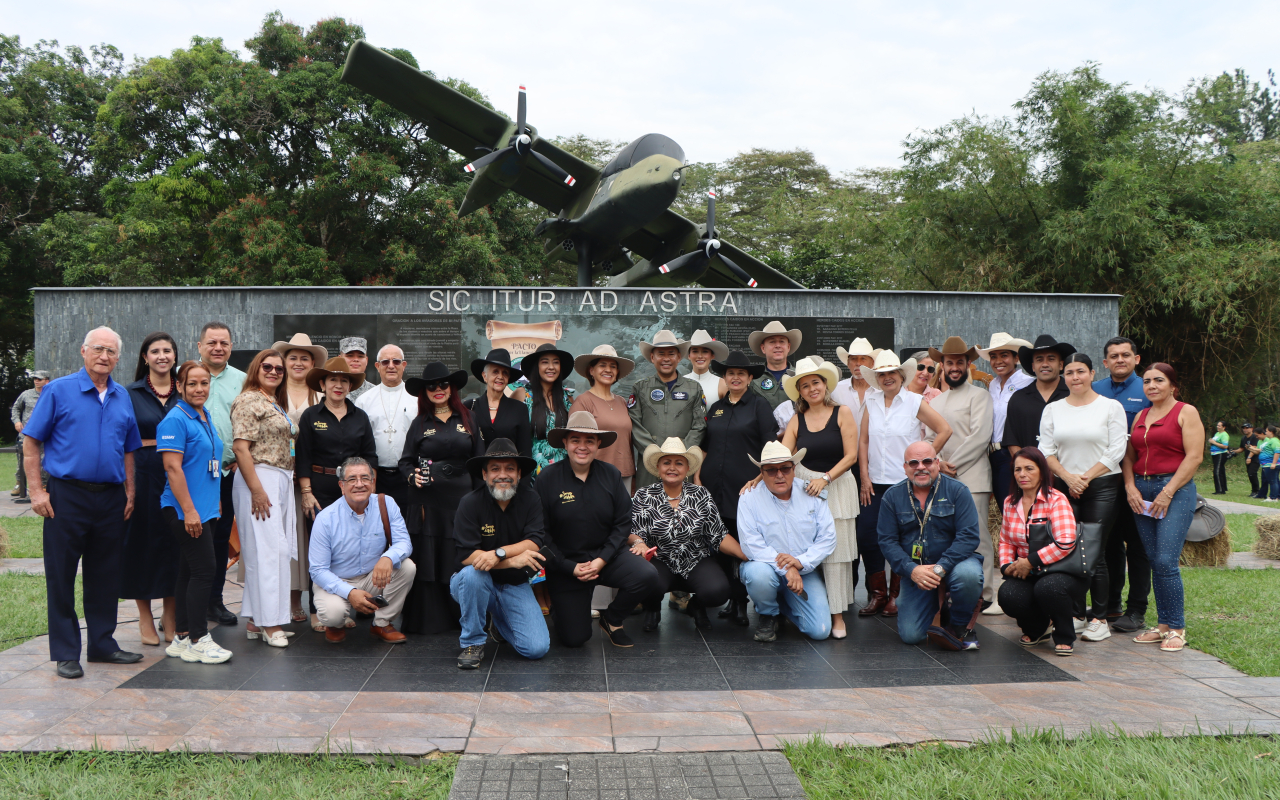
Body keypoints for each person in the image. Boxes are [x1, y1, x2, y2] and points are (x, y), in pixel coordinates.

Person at [23, 326, 144, 679]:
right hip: (66, 496)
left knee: (105, 574)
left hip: (110, 498)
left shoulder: (122, 396)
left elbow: (129, 450)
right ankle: (65, 651)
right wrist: (36, 491)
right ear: (83, 351)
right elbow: (32, 442)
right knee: (61, 574)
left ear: (118, 358)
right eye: (98, 349)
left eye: (111, 351)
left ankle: (103, 644)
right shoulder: (59, 391)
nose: (104, 356)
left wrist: (130, 492)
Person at [536, 411, 663, 648]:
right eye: (575, 440)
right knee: (575, 638)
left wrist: (601, 560)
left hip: (606, 557)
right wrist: (569, 567)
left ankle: (612, 619)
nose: (582, 447)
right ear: (565, 443)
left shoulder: (611, 475)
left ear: (597, 445)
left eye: (589, 441)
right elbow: (541, 533)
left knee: (647, 575)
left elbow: (622, 523)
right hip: (566, 565)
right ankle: (564, 608)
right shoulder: (547, 479)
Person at [857, 351, 953, 617]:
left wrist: (923, 461)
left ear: (901, 376)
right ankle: (878, 594)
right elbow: (863, 440)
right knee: (868, 536)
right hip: (874, 483)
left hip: (905, 484)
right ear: (876, 378)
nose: (887, 378)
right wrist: (864, 476)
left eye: (892, 373)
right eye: (882, 374)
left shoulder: (913, 401)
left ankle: (896, 596)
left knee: (906, 538)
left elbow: (944, 429)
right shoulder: (871, 401)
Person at [1039, 353, 1127, 642]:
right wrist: (1068, 478)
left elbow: (1116, 451)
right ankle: (1076, 614)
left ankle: (1099, 618)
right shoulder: (1053, 409)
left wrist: (1085, 478)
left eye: (1081, 371)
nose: (1075, 377)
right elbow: (1047, 451)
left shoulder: (1110, 407)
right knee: (1068, 550)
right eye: (1069, 373)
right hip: (1065, 486)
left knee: (1095, 551)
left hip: (1101, 485)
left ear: (1091, 374)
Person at [1122, 363, 1204, 652]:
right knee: (1154, 559)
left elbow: (1194, 457)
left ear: (1173, 385)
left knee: (1167, 561)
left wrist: (1168, 491)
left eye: (1159, 380)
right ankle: (1162, 626)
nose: (1152, 385)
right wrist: (1130, 487)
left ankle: (1177, 627)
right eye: (1147, 381)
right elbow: (1129, 457)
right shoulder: (1141, 416)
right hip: (1141, 492)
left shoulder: (1186, 412)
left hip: (1175, 489)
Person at [398, 362, 485, 634]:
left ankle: (464, 618)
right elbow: (405, 462)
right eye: (431, 386)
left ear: (452, 388)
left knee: (458, 554)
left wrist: (482, 499)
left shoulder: (469, 419)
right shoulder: (419, 423)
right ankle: (430, 620)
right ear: (425, 391)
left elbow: (480, 462)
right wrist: (414, 476)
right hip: (428, 500)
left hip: (463, 498)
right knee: (429, 556)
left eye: (443, 384)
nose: (438, 389)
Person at [157, 360, 233, 665]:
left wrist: (213, 506)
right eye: (192, 384)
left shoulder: (204, 415)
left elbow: (208, 466)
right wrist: (189, 512)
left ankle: (182, 636)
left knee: (189, 570)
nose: (199, 388)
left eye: (204, 383)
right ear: (179, 386)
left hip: (205, 509)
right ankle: (200, 639)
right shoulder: (175, 420)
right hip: (183, 510)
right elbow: (172, 469)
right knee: (204, 571)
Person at [450, 439, 550, 669]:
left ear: (519, 473)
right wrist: (512, 560)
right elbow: (466, 556)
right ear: (484, 474)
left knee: (536, 649)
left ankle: (499, 620)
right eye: (495, 468)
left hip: (514, 585)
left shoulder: (531, 499)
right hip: (472, 582)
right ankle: (472, 643)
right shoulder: (470, 503)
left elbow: (535, 541)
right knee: (474, 576)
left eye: (510, 469)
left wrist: (499, 553)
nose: (502, 475)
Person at [779, 357, 859, 638]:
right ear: (799, 392)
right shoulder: (796, 419)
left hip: (836, 488)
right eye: (804, 385)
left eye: (816, 382)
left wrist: (825, 478)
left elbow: (851, 455)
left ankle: (837, 616)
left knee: (835, 555)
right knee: (804, 548)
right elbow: (782, 456)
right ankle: (804, 606)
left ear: (825, 385)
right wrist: (757, 477)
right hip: (804, 489)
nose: (811, 388)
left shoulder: (843, 412)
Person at [630, 438, 746, 631]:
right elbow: (633, 531)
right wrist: (639, 543)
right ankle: (652, 607)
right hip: (659, 558)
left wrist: (744, 554)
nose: (672, 468)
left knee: (718, 591)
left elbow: (718, 534)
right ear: (658, 467)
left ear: (687, 468)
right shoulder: (644, 495)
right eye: (667, 462)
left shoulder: (700, 494)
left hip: (695, 559)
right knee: (644, 578)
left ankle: (696, 606)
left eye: (679, 463)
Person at [296, 357, 378, 630]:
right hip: (320, 488)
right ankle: (317, 612)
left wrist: (369, 492)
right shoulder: (311, 416)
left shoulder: (360, 416)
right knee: (321, 550)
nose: (339, 385)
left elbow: (370, 457)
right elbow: (303, 457)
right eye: (333, 380)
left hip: (355, 490)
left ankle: (349, 606)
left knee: (352, 546)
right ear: (322, 384)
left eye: (344, 380)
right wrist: (306, 492)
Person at [878, 441, 984, 650]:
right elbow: (887, 541)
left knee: (969, 576)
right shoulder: (892, 497)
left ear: (937, 463)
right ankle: (941, 606)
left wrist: (940, 567)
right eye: (914, 463)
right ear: (905, 467)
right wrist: (912, 570)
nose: (921, 467)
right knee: (911, 635)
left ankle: (959, 624)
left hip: (955, 564)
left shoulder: (958, 491)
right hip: (916, 570)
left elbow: (969, 537)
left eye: (927, 461)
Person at [699, 350, 777, 626]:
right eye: (730, 373)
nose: (735, 377)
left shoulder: (759, 406)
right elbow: (705, 447)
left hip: (744, 489)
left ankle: (741, 602)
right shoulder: (716, 408)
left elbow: (771, 450)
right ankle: (727, 598)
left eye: (741, 373)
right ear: (725, 376)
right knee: (717, 544)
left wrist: (759, 479)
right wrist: (698, 478)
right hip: (712, 489)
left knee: (742, 545)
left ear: (749, 377)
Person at [924, 338, 998, 615]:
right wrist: (938, 464)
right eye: (949, 363)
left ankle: (986, 594)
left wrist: (950, 464)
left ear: (969, 365)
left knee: (977, 535)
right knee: (948, 536)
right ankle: (956, 590)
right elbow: (931, 437)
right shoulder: (937, 400)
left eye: (959, 363)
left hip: (973, 476)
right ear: (941, 366)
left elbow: (979, 437)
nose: (954, 368)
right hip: (941, 477)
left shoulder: (980, 396)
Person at [308, 457, 415, 644]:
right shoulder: (325, 519)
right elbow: (318, 570)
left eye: (365, 478)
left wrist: (388, 557)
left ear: (373, 483)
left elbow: (404, 543)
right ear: (341, 486)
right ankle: (334, 624)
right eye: (352, 479)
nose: (359, 484)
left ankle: (381, 623)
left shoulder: (386, 504)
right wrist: (350, 592)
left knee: (407, 566)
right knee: (333, 614)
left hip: (370, 577)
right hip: (336, 581)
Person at [231, 349, 298, 648]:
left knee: (269, 552)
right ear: (256, 369)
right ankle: (271, 624)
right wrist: (258, 489)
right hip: (259, 477)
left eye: (279, 369)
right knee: (271, 552)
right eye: (267, 367)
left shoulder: (274, 402)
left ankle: (256, 619)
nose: (273, 371)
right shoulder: (249, 400)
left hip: (280, 478)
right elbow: (241, 448)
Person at [737, 442, 835, 642]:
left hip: (803, 571)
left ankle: (781, 604)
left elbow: (828, 537)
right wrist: (787, 568)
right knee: (759, 575)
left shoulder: (812, 494)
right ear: (761, 473)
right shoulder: (749, 498)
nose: (779, 475)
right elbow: (750, 545)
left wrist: (800, 562)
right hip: (766, 567)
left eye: (785, 468)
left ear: (794, 469)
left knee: (820, 631)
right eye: (771, 470)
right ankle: (767, 613)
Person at [120, 332, 181, 646]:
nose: (161, 356)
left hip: (179, 476)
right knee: (141, 544)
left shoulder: (184, 392)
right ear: (145, 357)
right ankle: (145, 616)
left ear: (174, 356)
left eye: (167, 351)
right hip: (142, 474)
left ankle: (170, 615)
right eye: (154, 351)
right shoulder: (128, 393)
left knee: (175, 544)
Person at [997, 447, 1084, 656]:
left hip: (1060, 569)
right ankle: (1037, 628)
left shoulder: (1056, 499)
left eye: (1029, 468)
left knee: (1048, 588)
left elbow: (1066, 542)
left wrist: (1030, 561)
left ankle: (1064, 634)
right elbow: (1006, 540)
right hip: (1028, 570)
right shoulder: (1010, 502)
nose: (1022, 474)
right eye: (1017, 470)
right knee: (1008, 595)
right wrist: (1007, 566)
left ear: (1042, 472)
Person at [1092, 336, 1152, 632]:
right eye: (1113, 356)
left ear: (1136, 359)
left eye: (1125, 355)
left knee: (1137, 546)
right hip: (1104, 480)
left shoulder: (1148, 388)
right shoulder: (1094, 390)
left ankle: (1137, 609)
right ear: (1105, 362)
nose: (1120, 360)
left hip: (1139, 480)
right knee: (1109, 545)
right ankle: (1111, 604)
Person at [271, 332, 328, 624]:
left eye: (304, 358)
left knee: (309, 542)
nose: (297, 363)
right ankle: (288, 601)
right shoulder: (273, 392)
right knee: (284, 540)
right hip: (276, 477)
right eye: (292, 357)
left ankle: (313, 602)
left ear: (313, 363)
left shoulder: (321, 396)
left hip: (310, 481)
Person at [196, 322, 244, 627]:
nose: (218, 348)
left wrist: (242, 457)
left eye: (224, 343)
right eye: (211, 342)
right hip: (191, 475)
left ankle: (214, 600)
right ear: (199, 346)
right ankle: (183, 605)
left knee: (219, 540)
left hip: (226, 474)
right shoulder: (185, 376)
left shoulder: (242, 380)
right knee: (189, 540)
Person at [628, 331, 707, 488]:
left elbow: (700, 425)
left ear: (678, 357)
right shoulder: (640, 388)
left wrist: (681, 454)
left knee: (682, 509)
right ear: (652, 358)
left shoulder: (694, 388)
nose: (666, 359)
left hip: (682, 465)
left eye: (671, 354)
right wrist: (654, 454)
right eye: (660, 354)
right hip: (649, 466)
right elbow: (634, 424)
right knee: (648, 508)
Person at [355, 344, 417, 511]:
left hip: (407, 476)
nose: (391, 366)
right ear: (377, 366)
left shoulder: (416, 399)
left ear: (404, 365)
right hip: (376, 477)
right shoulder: (364, 401)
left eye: (396, 361)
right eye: (385, 362)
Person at [978, 333, 1034, 511]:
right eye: (993, 357)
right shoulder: (993, 385)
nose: (998, 361)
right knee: (1006, 507)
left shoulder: (1028, 383)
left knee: (1022, 507)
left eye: (1004, 355)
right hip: (992, 455)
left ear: (1016, 358)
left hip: (1015, 452)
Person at [570, 345, 637, 485]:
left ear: (617, 372)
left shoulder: (622, 401)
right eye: (602, 365)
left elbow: (628, 440)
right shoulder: (583, 402)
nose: (608, 370)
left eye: (613, 366)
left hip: (625, 474)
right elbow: (575, 443)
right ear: (591, 370)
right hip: (595, 475)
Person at [1002, 335, 1073, 459]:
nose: (1045, 364)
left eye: (1051, 359)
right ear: (1033, 366)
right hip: (1030, 474)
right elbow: (1012, 441)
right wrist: (1029, 467)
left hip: (1069, 472)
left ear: (1061, 365)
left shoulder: (1073, 395)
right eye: (1039, 360)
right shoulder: (1018, 398)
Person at [464, 348, 533, 458]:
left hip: (509, 472)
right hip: (478, 473)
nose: (500, 377)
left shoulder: (519, 409)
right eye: (495, 371)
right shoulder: (469, 407)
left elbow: (525, 453)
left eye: (505, 373)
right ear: (484, 376)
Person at [521, 342, 575, 472]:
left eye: (556, 362)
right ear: (536, 366)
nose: (551, 367)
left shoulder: (567, 397)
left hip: (564, 471)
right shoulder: (523, 394)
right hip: (532, 472)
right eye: (545, 362)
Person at [10, 369, 50, 501]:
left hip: (45, 433)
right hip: (27, 433)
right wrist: (17, 421)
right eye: (35, 378)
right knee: (22, 459)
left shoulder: (50, 394)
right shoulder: (26, 394)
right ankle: (19, 483)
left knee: (44, 460)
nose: (36, 381)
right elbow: (15, 408)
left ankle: (44, 484)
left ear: (47, 380)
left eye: (39, 379)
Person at [747, 321, 800, 409]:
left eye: (782, 341)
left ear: (788, 347)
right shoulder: (753, 379)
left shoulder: (799, 375)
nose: (778, 345)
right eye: (772, 342)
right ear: (763, 348)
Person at [831, 338, 880, 424]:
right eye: (854, 359)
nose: (858, 363)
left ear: (872, 363)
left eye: (863, 359)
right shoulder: (836, 390)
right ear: (848, 363)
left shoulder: (881, 390)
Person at [685, 329, 728, 405]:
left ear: (712, 355)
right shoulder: (680, 383)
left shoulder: (722, 384)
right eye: (695, 351)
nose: (700, 356)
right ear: (689, 355)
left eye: (705, 351)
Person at [339, 337, 373, 401]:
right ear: (340, 359)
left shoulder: (375, 393)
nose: (356, 359)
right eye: (350, 355)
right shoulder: (330, 391)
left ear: (366, 360)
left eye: (360, 356)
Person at [1258, 424, 1280, 501]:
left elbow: (1277, 452)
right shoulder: (1269, 440)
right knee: (1274, 480)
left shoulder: (1274, 440)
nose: (1265, 432)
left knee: (1273, 481)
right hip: (1266, 464)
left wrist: (1273, 463)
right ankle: (1276, 496)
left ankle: (1273, 497)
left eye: (1266, 431)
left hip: (1270, 464)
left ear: (1271, 432)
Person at [1240, 422, 1261, 497]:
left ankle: (1256, 490)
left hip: (1254, 458)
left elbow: (1254, 447)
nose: (1245, 430)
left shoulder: (1254, 437)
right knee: (1250, 474)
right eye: (1244, 428)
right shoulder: (1244, 438)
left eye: (1247, 428)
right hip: (1247, 458)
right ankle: (1254, 490)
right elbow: (1242, 448)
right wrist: (1233, 452)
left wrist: (1249, 457)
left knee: (1252, 473)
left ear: (1251, 429)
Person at [1209, 421, 1230, 495]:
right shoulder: (1217, 433)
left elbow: (1225, 446)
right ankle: (1222, 488)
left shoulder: (1224, 435)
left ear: (1224, 427)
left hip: (1220, 454)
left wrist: (1214, 442)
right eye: (1217, 425)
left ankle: (1220, 490)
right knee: (1220, 471)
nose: (1218, 427)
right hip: (1214, 454)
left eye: (1220, 426)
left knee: (1217, 471)